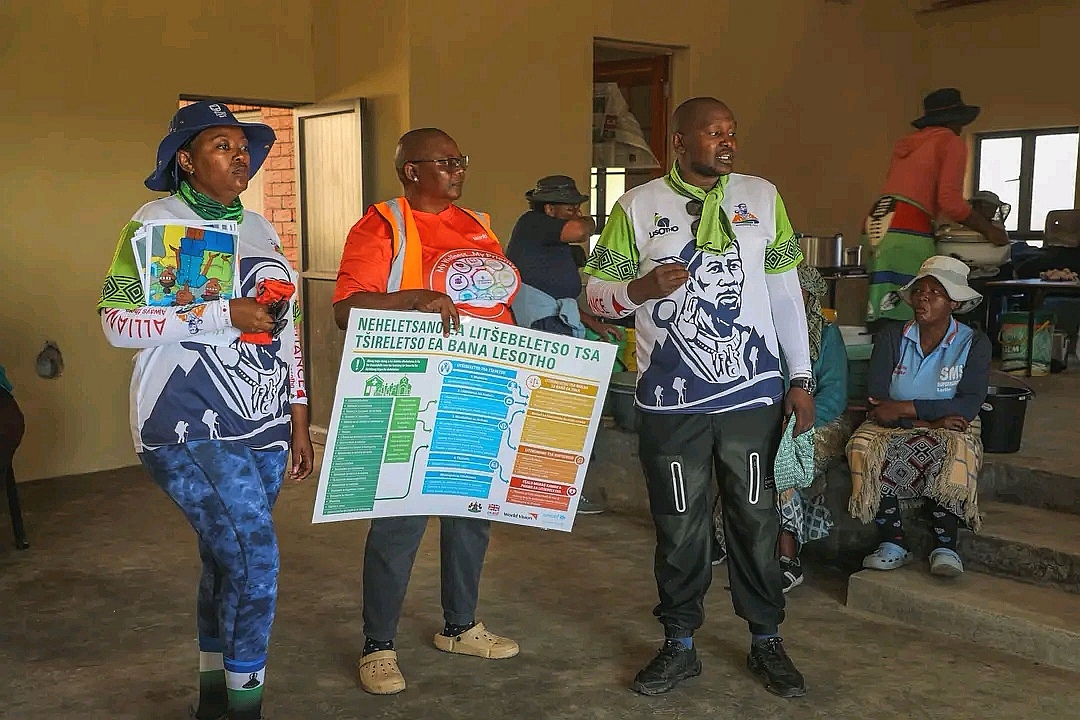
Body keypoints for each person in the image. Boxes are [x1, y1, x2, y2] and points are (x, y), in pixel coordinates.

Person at [584, 97, 814, 699]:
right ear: (680, 141)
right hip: (672, 403)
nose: (727, 142)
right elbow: (595, 297)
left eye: (732, 132)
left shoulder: (762, 197)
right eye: (714, 133)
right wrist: (640, 288)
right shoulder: (636, 207)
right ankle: (679, 642)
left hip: (753, 398)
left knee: (756, 519)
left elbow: (785, 294)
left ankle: (766, 639)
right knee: (679, 524)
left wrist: (801, 377)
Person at [98, 101, 314, 720]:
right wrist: (223, 313)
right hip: (186, 420)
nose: (240, 156)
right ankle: (246, 710)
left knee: (226, 562)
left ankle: (215, 701)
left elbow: (287, 327)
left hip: (264, 419)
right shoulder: (154, 223)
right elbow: (117, 323)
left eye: (244, 146)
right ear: (187, 161)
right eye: (222, 145)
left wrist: (299, 415)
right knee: (255, 559)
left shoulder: (260, 227)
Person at [333, 128, 520, 696]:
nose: (459, 170)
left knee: (470, 512)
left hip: (478, 385)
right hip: (408, 392)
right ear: (411, 170)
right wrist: (414, 299)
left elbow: (497, 303)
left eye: (461, 160)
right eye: (446, 162)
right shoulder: (382, 226)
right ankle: (378, 645)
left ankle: (459, 627)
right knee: (399, 520)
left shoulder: (478, 225)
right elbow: (346, 308)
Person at [847, 256, 991, 577]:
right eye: (919, 291)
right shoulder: (892, 337)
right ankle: (892, 541)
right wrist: (927, 422)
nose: (923, 298)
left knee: (957, 450)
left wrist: (902, 408)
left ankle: (945, 546)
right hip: (902, 423)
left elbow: (967, 406)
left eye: (935, 292)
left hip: (951, 422)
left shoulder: (974, 343)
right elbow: (878, 401)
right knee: (863, 447)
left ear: (954, 303)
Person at [711, 264, 851, 592]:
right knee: (739, 456)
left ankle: (787, 557)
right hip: (768, 420)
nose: (784, 297)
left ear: (810, 296)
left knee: (780, 462)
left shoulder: (826, 334)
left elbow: (834, 396)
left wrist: (795, 422)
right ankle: (729, 540)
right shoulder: (756, 330)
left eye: (794, 291)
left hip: (819, 422)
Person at [506, 174, 623, 514]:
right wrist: (596, 220)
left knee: (570, 410)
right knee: (556, 408)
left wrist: (593, 323)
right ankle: (550, 491)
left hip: (560, 323)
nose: (576, 213)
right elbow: (579, 230)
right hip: (544, 329)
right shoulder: (532, 223)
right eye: (570, 207)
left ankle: (558, 488)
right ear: (549, 208)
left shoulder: (552, 242)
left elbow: (561, 296)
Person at [863, 88, 1009, 332]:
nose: (961, 129)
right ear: (954, 121)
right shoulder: (950, 142)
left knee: (884, 306)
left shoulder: (908, 143)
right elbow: (950, 200)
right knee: (916, 307)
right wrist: (989, 230)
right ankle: (908, 356)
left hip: (879, 219)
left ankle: (882, 354)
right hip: (908, 226)